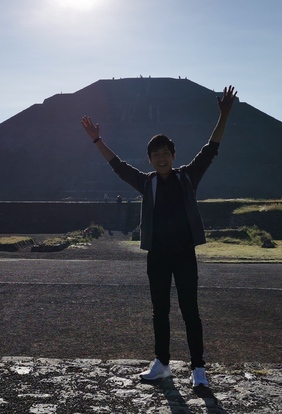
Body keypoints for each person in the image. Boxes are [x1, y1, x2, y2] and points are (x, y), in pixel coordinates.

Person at [81, 85, 237, 388]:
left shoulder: (187, 177)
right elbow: (118, 167)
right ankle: (162, 364)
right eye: (156, 154)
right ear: (150, 158)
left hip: (184, 254)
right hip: (158, 256)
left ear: (173, 155)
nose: (162, 158)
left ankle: (198, 369)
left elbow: (211, 148)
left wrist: (225, 114)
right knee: (160, 311)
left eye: (166, 153)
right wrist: (97, 140)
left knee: (190, 309)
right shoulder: (146, 182)